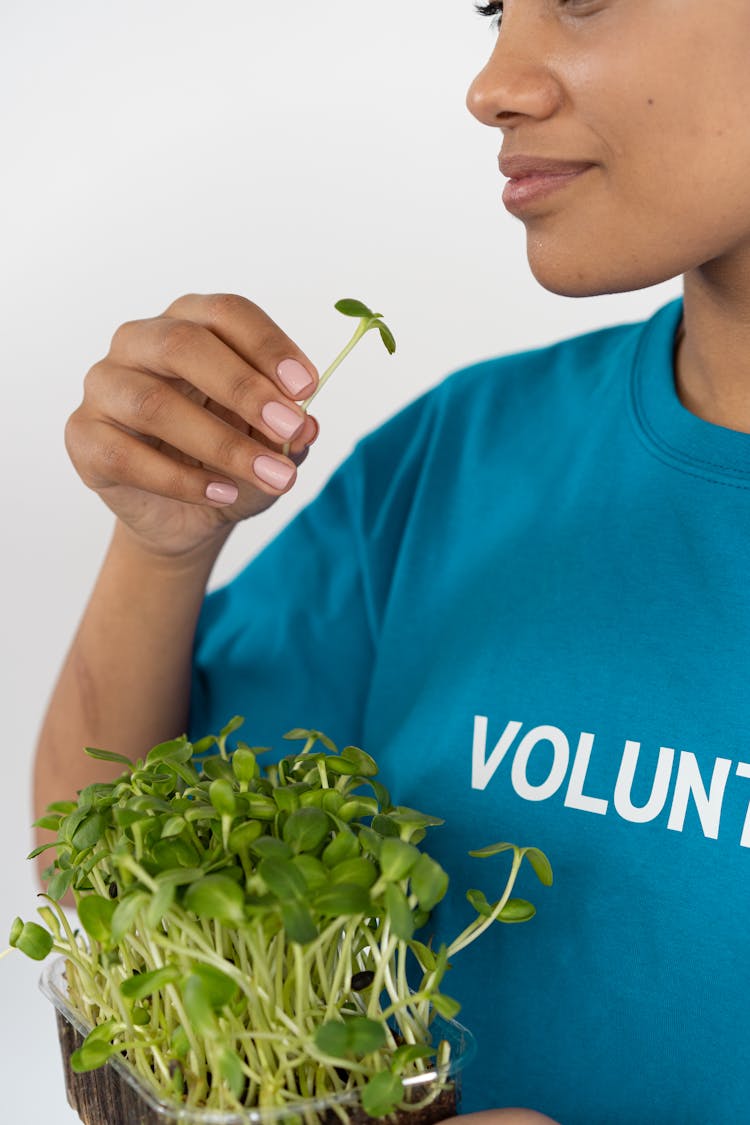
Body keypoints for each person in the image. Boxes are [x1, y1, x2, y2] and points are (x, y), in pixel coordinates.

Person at [32, 1, 750, 1121]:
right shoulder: (467, 454)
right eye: (489, 10)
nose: (491, 84)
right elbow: (106, 895)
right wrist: (161, 548)